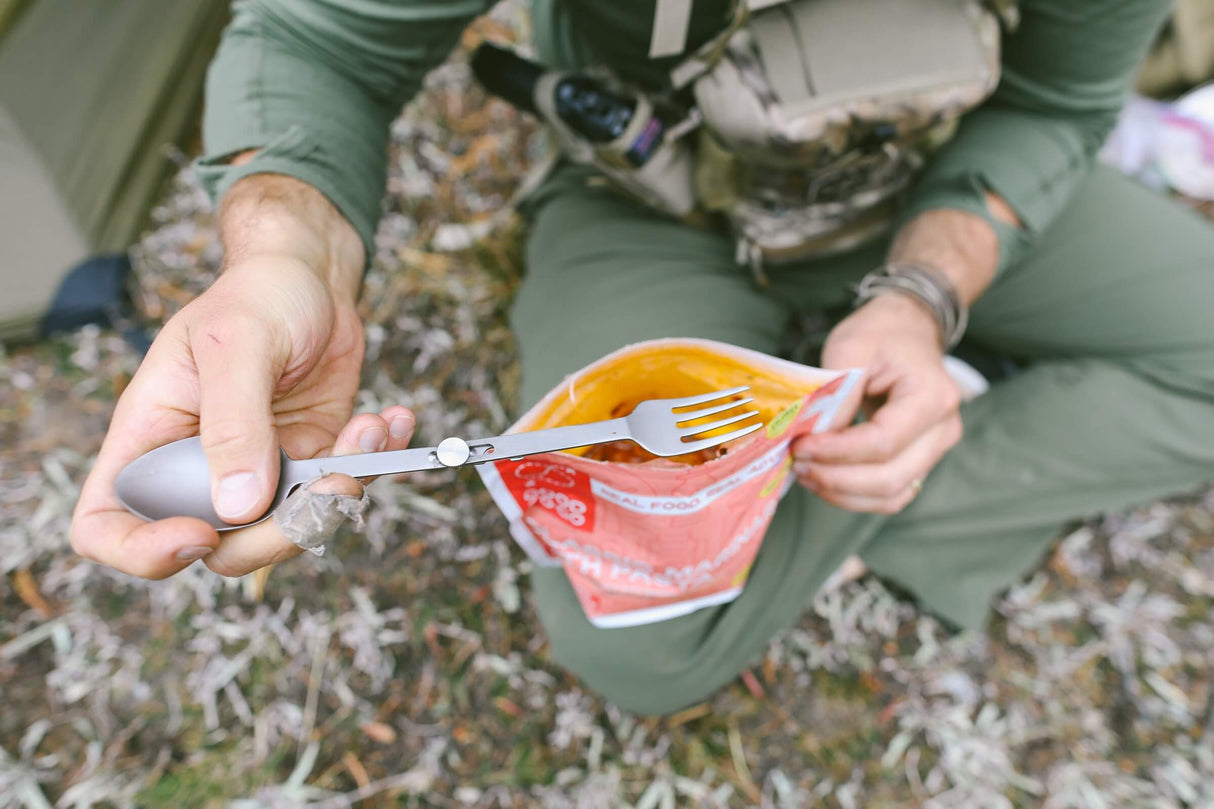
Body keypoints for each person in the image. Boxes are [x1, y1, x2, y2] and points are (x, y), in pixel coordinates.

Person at [71, 0, 1214, 716]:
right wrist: (284, 258)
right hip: (649, 202)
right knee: (644, 643)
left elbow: (1057, 102)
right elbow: (321, 36)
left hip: (929, 179)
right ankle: (897, 430)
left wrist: (922, 295)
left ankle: (904, 420)